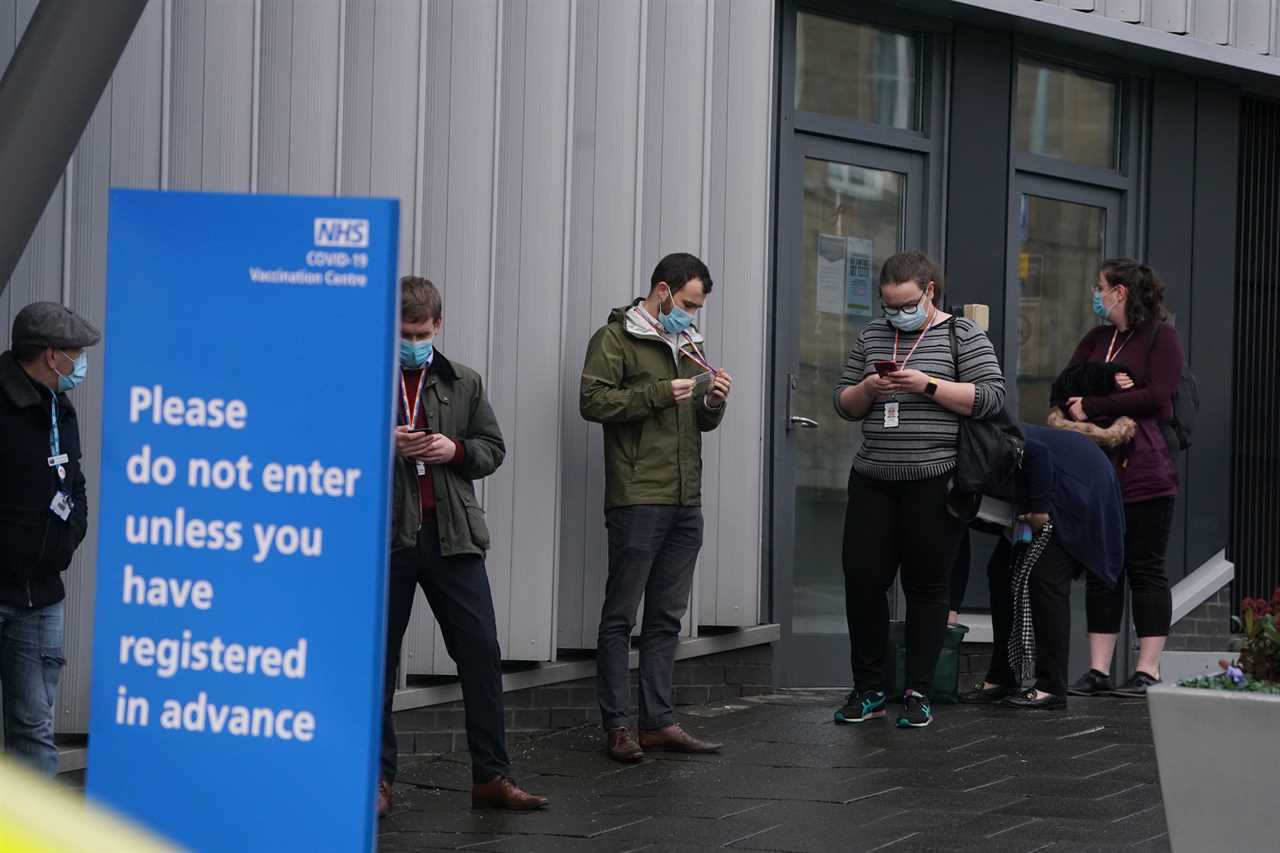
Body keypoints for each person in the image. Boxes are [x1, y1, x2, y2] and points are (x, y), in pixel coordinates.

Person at [379, 277, 546, 815]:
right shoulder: (364, 377)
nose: (413, 341)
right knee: (376, 663)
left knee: (480, 656)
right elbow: (325, 446)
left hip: (454, 537)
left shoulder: (463, 381)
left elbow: (493, 449)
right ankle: (377, 782)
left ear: (439, 325)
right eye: (405, 333)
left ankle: (492, 777)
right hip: (386, 540)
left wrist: (452, 448)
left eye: (422, 332)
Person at [831, 251, 1005, 729]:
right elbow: (843, 403)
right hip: (873, 478)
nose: (896, 313)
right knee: (863, 584)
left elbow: (991, 397)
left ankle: (919, 690)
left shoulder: (960, 334)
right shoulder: (872, 335)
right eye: (889, 305)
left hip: (934, 479)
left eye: (906, 303)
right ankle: (868, 689)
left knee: (928, 588)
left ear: (929, 291)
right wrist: (868, 388)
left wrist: (927, 384)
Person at [580, 252, 732, 763]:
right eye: (688, 303)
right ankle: (618, 727)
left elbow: (699, 424)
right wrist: (657, 394)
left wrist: (713, 403)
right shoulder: (615, 338)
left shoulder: (689, 343)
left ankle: (658, 722)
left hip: (686, 498)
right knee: (620, 616)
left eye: (699, 307)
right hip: (638, 495)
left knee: (667, 617)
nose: (693, 315)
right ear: (662, 291)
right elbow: (593, 402)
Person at [1051, 259, 1183, 698]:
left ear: (1121, 292)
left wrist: (1091, 404)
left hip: (1145, 470)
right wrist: (1109, 386)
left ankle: (1147, 670)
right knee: (1101, 569)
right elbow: (1064, 384)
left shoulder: (1161, 336)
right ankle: (1098, 671)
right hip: (1096, 472)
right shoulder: (1097, 338)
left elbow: (1158, 397)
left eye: (1100, 287)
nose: (1097, 293)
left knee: (1145, 568)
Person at [0, 302, 100, 774]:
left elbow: (73, 484)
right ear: (49, 355)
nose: (81, 364)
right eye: (75, 353)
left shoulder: (61, 408)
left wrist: (69, 533)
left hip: (41, 598)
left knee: (34, 730)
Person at [960, 424, 1125, 709]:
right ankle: (1002, 676)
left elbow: (1037, 454)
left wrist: (1038, 511)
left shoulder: (976, 436)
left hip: (1074, 486)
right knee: (1001, 572)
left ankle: (1051, 685)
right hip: (1037, 493)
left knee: (1045, 579)